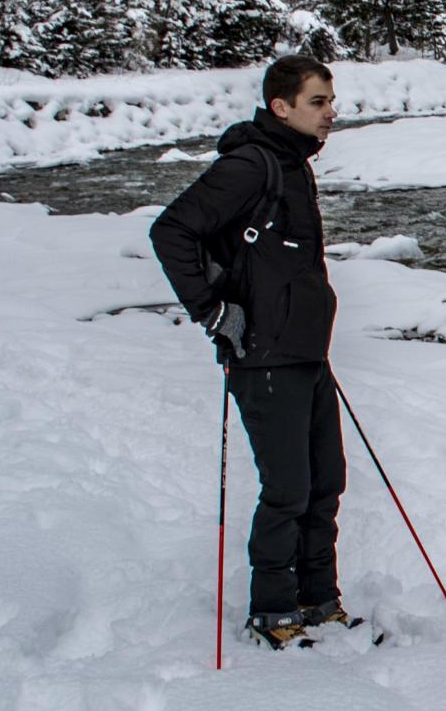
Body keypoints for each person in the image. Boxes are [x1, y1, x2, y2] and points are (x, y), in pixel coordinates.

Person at [150, 55, 351, 649]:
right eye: (318, 102)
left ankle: (320, 601)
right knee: (288, 488)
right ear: (281, 107)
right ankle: (272, 610)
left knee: (325, 483)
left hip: (307, 354)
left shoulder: (293, 165)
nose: (330, 113)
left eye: (330, 101)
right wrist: (215, 311)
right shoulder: (251, 166)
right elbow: (171, 231)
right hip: (264, 357)